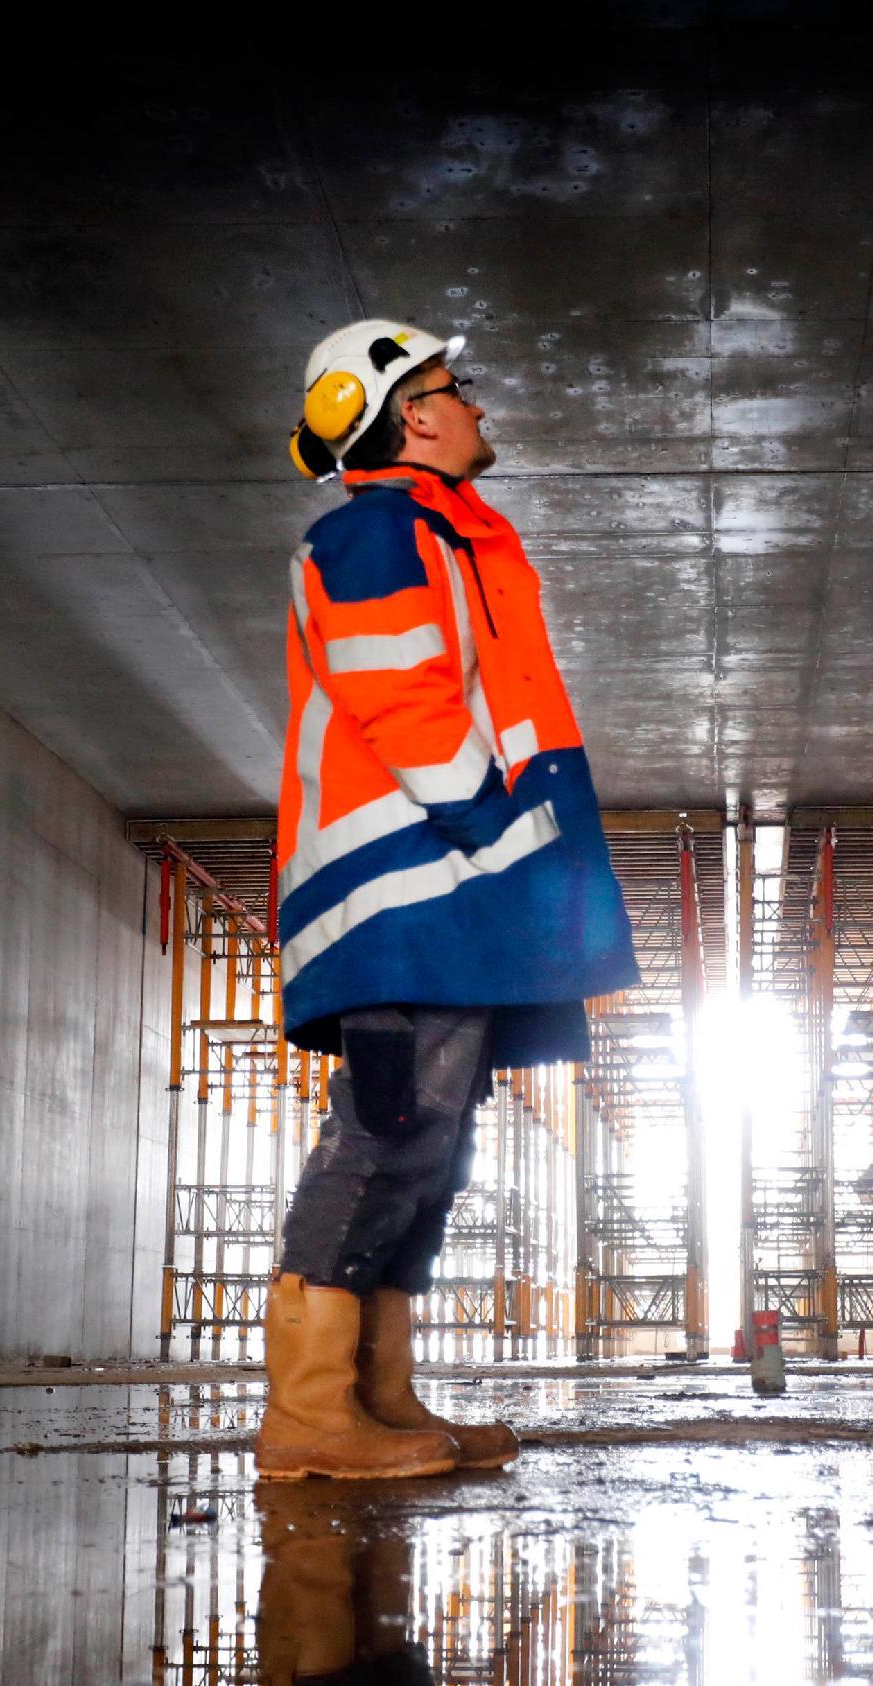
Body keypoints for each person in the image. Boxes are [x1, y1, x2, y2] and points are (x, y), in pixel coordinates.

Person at [256, 320, 637, 1483]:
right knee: (386, 1136)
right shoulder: (375, 530)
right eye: (452, 389)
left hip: (455, 903)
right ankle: (308, 1414)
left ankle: (379, 1392)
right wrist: (498, 828)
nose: (474, 405)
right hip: (402, 896)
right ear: (412, 416)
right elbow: (404, 700)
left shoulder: (451, 534)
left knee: (437, 1145)